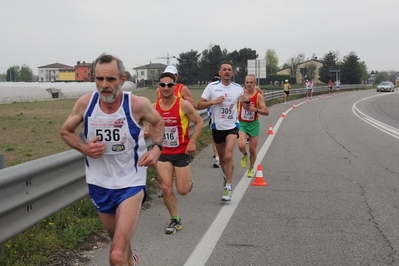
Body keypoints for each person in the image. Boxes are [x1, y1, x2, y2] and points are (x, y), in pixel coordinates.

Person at [60, 53, 164, 266]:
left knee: (115, 255)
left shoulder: (136, 104)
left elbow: (158, 122)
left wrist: (156, 150)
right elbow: (65, 132)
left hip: (130, 182)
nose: (104, 85)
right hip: (99, 183)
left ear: (122, 80)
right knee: (121, 248)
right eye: (99, 79)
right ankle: (131, 261)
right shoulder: (85, 104)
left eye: (111, 79)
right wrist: (85, 148)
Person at [149, 72, 203, 234]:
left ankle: (188, 182)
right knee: (165, 188)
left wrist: (192, 142)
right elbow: (148, 126)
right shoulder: (153, 108)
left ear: (175, 86)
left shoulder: (183, 105)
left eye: (169, 85)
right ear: (158, 87)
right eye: (163, 85)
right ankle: (175, 219)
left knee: (183, 190)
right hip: (163, 153)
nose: (166, 88)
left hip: (181, 152)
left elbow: (199, 122)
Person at [197, 62, 247, 201]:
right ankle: (226, 177)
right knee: (222, 157)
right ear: (220, 72)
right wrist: (213, 102)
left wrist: (247, 102)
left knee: (228, 155)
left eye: (229, 70)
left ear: (232, 73)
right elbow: (199, 104)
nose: (226, 71)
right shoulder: (212, 87)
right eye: (224, 69)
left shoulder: (238, 88)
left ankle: (228, 187)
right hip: (217, 127)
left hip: (232, 125)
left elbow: (246, 107)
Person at [238, 75, 269, 177]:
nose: (249, 84)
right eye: (247, 82)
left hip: (254, 124)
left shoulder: (258, 96)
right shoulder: (241, 93)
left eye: (251, 82)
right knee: (242, 145)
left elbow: (266, 111)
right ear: (245, 83)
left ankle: (251, 168)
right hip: (242, 123)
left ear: (255, 84)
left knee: (253, 149)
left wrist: (256, 110)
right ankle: (244, 154)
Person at [210, 73, 221, 168]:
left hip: (225, 121)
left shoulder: (224, 92)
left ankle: (221, 155)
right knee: (214, 139)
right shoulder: (209, 93)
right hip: (213, 120)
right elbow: (205, 104)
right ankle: (217, 158)